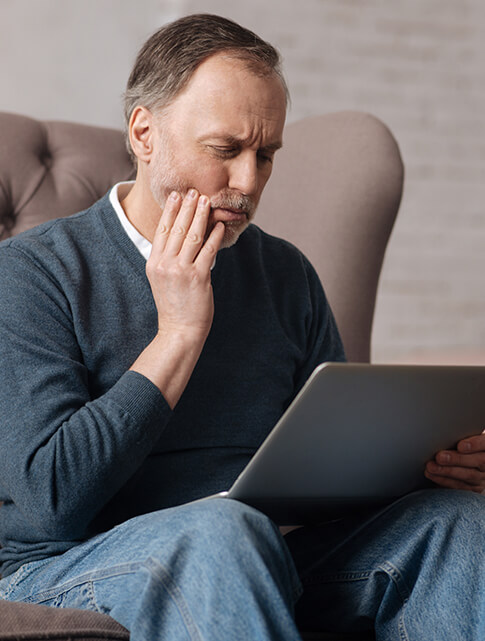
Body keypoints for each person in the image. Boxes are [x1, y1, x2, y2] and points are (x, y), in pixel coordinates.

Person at [0, 13, 484, 641]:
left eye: (266, 155)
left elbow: (333, 462)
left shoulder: (284, 273)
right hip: (66, 563)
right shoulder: (31, 274)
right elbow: (51, 502)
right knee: (223, 531)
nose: (248, 183)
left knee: (453, 522)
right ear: (145, 134)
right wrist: (177, 333)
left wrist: (433, 467)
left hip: (260, 550)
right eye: (225, 151)